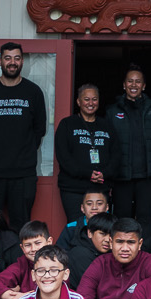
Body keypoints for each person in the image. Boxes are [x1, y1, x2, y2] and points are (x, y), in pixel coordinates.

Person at [0, 43, 48, 225]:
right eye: (7, 58)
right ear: (0, 61)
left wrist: (26, 150)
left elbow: (39, 128)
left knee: (20, 225)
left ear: (22, 62)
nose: (12, 62)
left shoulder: (34, 92)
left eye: (17, 58)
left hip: (23, 174)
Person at [106, 65, 151, 232]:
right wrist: (108, 176)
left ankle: (145, 248)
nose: (133, 85)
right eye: (130, 81)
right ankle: (122, 247)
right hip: (121, 176)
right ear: (124, 85)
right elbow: (106, 146)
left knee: (145, 217)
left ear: (144, 86)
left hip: (148, 176)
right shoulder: (112, 111)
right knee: (122, 218)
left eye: (138, 81)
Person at [54, 84, 120, 230]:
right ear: (78, 102)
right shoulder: (67, 124)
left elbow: (116, 155)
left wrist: (105, 173)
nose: (91, 103)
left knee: (100, 228)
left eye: (94, 99)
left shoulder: (106, 125)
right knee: (76, 227)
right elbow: (63, 157)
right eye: (86, 99)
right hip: (74, 188)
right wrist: (87, 174)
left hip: (100, 187)